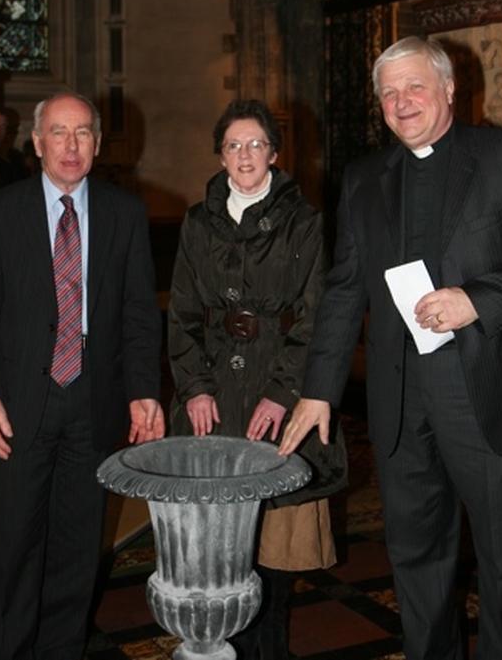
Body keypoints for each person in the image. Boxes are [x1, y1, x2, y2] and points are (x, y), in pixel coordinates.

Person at [279, 37, 502, 660]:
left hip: (486, 393)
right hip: (402, 401)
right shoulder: (364, 178)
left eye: (414, 86)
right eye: (388, 93)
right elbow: (342, 292)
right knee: (416, 562)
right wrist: (318, 390)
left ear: (448, 89)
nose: (401, 102)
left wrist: (478, 299)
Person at [0, 92, 165, 660]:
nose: (70, 146)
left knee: (77, 551)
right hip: (19, 407)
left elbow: (139, 314)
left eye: (82, 134)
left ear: (97, 145)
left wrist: (144, 389)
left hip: (94, 402)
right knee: (12, 544)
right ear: (37, 142)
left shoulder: (125, 213)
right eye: (58, 132)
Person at [168, 98, 346, 660]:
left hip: (278, 391)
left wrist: (283, 393)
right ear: (220, 155)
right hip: (215, 394)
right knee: (215, 551)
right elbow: (182, 313)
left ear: (274, 151)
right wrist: (194, 387)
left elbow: (318, 315)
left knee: (272, 551)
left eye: (255, 144)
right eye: (233, 145)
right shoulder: (199, 222)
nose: (245, 155)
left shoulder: (305, 220)